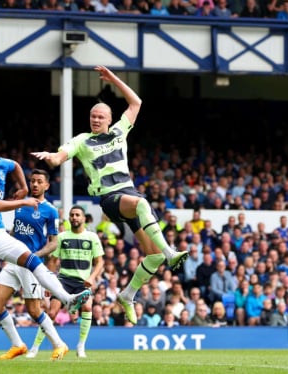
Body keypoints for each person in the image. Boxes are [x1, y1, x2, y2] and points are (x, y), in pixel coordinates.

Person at [31, 65, 188, 325]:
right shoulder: (81, 140)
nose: (95, 119)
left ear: (109, 118)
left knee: (153, 255)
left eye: (100, 116)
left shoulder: (119, 132)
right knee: (142, 205)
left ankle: (127, 295)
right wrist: (51, 157)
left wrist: (113, 79)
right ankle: (171, 253)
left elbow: (136, 102)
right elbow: (60, 157)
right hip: (110, 198)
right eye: (92, 116)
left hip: (128, 193)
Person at [0, 130, 91, 367]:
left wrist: (23, 187)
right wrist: (24, 199)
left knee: (32, 277)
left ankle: (67, 301)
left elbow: (15, 165)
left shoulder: (4, 166)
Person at [0, 169, 69, 361]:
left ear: (47, 185)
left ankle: (59, 344)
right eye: (32, 181)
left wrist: (35, 255)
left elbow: (54, 242)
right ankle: (17, 345)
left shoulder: (49, 210)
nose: (34, 184)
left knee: (33, 310)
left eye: (39, 181)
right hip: (14, 261)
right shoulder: (21, 204)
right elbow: (15, 232)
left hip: (31, 265)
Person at [28, 205, 104, 358]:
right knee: (52, 313)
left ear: (83, 218)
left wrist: (92, 277)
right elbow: (53, 261)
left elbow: (100, 262)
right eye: (72, 215)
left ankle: (81, 346)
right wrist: (48, 282)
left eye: (77, 215)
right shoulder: (62, 237)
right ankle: (35, 348)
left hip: (83, 282)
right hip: (63, 280)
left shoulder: (92, 237)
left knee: (88, 307)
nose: (74, 217)